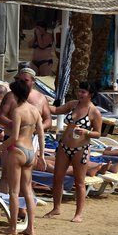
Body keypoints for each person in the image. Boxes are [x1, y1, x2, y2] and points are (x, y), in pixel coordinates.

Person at [46, 82, 102, 223]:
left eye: (83, 92)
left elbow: (98, 133)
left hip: (80, 149)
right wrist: (41, 102)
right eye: (79, 91)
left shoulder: (94, 112)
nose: (80, 94)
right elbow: (56, 110)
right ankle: (56, 208)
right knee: (57, 178)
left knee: (79, 182)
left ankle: (78, 214)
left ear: (91, 94)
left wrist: (86, 132)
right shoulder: (73, 104)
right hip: (64, 146)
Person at [2, 78, 43, 235]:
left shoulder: (17, 111)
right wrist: (41, 155)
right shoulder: (34, 110)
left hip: (17, 150)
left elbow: (13, 137)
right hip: (30, 151)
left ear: (16, 94)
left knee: (13, 191)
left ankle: (13, 227)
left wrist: (0, 148)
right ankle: (30, 228)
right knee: (27, 190)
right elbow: (41, 133)